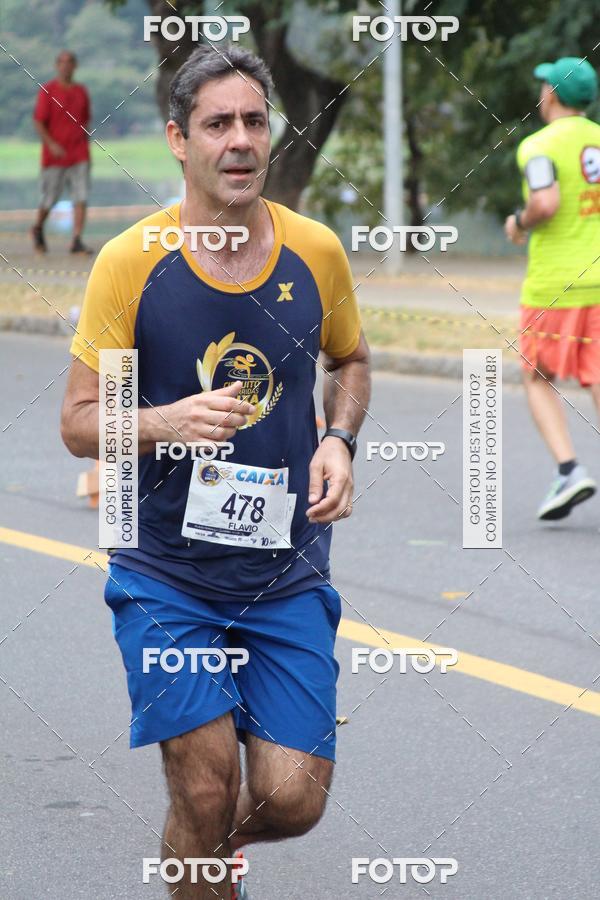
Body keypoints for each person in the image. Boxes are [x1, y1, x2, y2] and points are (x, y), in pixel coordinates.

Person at [60, 45, 371, 899]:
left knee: (291, 799)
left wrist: (340, 439)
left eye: (254, 121)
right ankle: (199, 831)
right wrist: (164, 420)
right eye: (217, 123)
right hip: (167, 573)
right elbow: (81, 426)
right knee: (203, 784)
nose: (240, 140)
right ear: (177, 139)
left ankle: (199, 844)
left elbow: (351, 361)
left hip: (287, 572)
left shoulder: (314, 252)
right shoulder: (132, 261)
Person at [505, 56, 600, 520]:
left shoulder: (538, 146)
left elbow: (544, 202)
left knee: (537, 376)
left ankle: (569, 470)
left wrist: (518, 221)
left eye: (544, 85)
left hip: (556, 285)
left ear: (553, 95)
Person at [32, 50, 93, 255]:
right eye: (62, 62)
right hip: (54, 157)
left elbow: (85, 120)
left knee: (81, 196)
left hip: (79, 153)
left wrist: (85, 144)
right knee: (50, 198)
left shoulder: (81, 91)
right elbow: (39, 122)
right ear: (57, 66)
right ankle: (38, 227)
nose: (66, 66)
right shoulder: (47, 91)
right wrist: (51, 144)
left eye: (70, 62)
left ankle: (76, 239)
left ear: (75, 66)